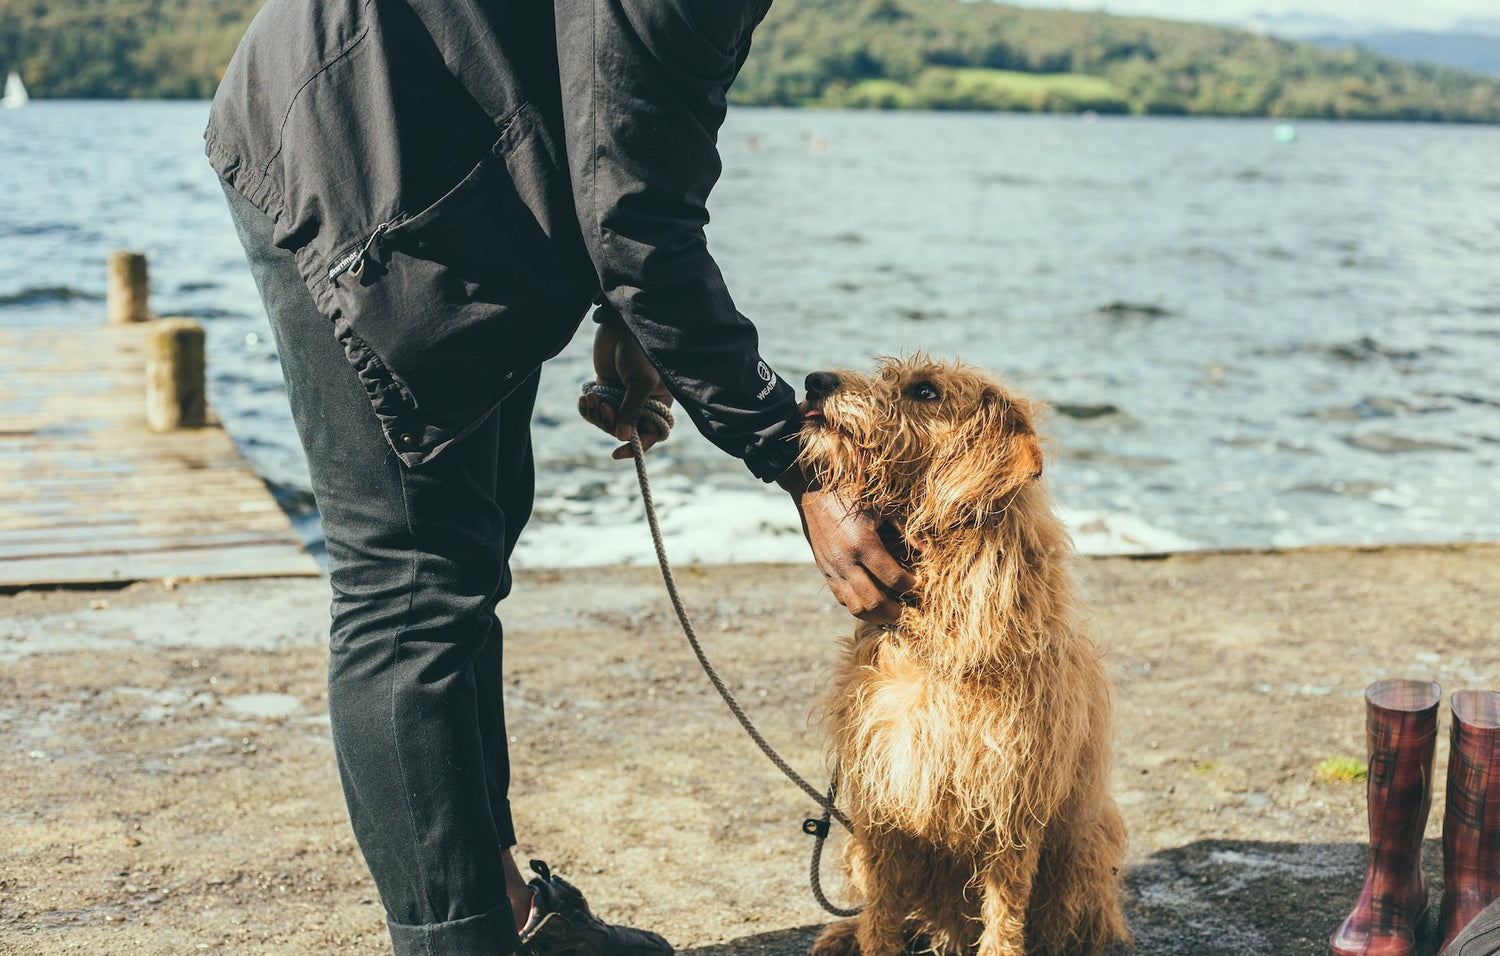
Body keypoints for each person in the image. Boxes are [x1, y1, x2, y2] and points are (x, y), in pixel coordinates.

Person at [206, 2, 915, 955]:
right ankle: (457, 941)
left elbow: (641, 121)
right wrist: (794, 457)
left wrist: (630, 314)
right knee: (411, 587)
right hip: (361, 152)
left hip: (455, 163)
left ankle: (507, 914)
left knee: (470, 553)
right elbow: (630, 208)